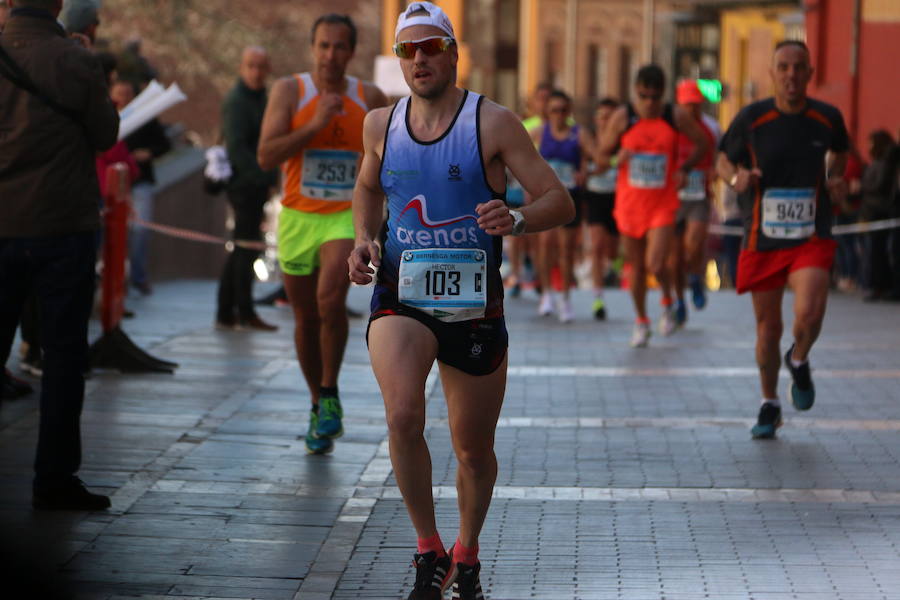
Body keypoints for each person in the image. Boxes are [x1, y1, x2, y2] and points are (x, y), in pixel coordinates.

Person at [348, 3, 573, 598]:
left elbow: (559, 199)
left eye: (430, 47)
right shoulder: (380, 125)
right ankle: (428, 549)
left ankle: (466, 553)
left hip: (475, 307)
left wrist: (518, 217)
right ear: (399, 60)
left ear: (452, 52)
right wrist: (364, 239)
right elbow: (367, 189)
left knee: (472, 450)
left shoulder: (493, 124)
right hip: (402, 296)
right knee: (402, 414)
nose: (419, 59)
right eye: (408, 50)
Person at [0, 0, 119, 509]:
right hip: (62, 227)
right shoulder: (77, 61)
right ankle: (53, 480)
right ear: (58, 5)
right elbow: (106, 133)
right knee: (64, 356)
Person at [257, 14, 387, 454]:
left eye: (339, 47)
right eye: (323, 46)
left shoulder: (369, 96)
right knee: (305, 318)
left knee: (330, 299)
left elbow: (390, 160)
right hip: (297, 216)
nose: (331, 55)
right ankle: (319, 404)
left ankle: (330, 390)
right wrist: (314, 126)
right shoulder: (289, 91)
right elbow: (265, 155)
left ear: (351, 52)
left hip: (342, 216)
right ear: (313, 48)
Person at [716, 40, 849, 439]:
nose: (791, 74)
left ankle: (800, 356)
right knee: (768, 329)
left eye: (799, 67)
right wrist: (734, 178)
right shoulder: (753, 118)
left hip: (811, 234)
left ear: (810, 73)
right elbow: (724, 158)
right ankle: (770, 403)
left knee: (808, 314)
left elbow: (841, 153)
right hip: (763, 235)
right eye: (783, 67)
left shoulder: (827, 118)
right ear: (772, 74)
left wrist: (836, 179)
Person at [595, 64, 709, 347]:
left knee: (656, 261)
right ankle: (642, 321)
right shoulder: (624, 117)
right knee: (636, 266)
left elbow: (703, 143)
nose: (649, 103)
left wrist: (685, 168)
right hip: (630, 204)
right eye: (644, 96)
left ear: (663, 95)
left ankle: (668, 300)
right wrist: (614, 160)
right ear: (636, 92)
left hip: (662, 203)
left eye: (655, 97)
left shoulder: (675, 115)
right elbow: (599, 157)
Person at [215, 46, 279, 331]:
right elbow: (237, 148)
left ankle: (227, 311)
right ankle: (243, 310)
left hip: (256, 182)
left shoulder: (262, 98)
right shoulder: (237, 101)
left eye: (261, 67)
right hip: (244, 184)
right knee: (245, 248)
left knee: (244, 247)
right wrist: (262, 177)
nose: (256, 72)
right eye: (251, 66)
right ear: (242, 68)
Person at [110, 78, 172, 296]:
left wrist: (149, 153)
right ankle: (115, 279)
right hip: (112, 182)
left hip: (140, 180)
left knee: (140, 231)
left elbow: (165, 143)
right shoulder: (105, 116)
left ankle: (138, 276)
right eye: (119, 94)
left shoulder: (146, 119)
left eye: (128, 94)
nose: (123, 99)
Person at [532, 89, 591, 322]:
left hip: (570, 198)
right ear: (548, 112)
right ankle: (546, 294)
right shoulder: (539, 132)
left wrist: (585, 171)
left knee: (566, 249)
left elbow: (591, 156)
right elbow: (521, 157)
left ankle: (565, 297)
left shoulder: (579, 134)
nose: (558, 115)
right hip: (546, 196)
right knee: (546, 245)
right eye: (554, 110)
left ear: (569, 112)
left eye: (563, 110)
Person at [667, 79, 720, 326]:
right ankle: (679, 300)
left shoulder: (711, 127)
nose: (692, 110)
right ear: (680, 105)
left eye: (696, 104)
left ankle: (696, 278)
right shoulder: (670, 126)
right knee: (674, 258)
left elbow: (721, 157)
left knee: (693, 244)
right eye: (688, 105)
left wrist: (715, 171)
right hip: (672, 199)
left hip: (699, 196)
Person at [582, 97, 621, 320]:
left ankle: (613, 267)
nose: (605, 122)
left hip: (618, 196)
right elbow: (585, 168)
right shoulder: (590, 142)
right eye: (602, 117)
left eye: (610, 117)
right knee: (596, 246)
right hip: (596, 196)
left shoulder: (622, 142)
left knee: (613, 251)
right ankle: (598, 298)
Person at [860, 130, 897, 302]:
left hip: (879, 212)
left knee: (877, 251)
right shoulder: (878, 162)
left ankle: (879, 286)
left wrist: (861, 187)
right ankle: (876, 285)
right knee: (874, 251)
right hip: (873, 211)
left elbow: (881, 185)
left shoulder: (885, 162)